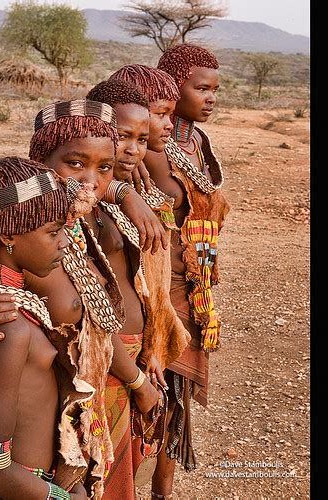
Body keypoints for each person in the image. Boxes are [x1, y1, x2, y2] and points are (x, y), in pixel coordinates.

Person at [111, 52, 231, 499]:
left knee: (172, 401)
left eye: (215, 90)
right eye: (201, 88)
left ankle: (161, 489)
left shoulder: (193, 143)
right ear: (172, 86)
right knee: (153, 396)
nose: (210, 98)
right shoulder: (142, 153)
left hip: (186, 283)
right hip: (156, 289)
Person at [84, 79, 190, 499]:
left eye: (140, 139)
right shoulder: (73, 206)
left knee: (122, 471)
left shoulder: (126, 194)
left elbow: (142, 283)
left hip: (133, 354)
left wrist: (151, 351)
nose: (132, 149)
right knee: (97, 473)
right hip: (106, 363)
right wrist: (136, 379)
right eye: (121, 137)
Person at [0, 156, 87, 499]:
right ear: (8, 235)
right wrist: (62, 497)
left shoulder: (9, 303)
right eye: (53, 232)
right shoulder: (6, 325)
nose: (66, 242)